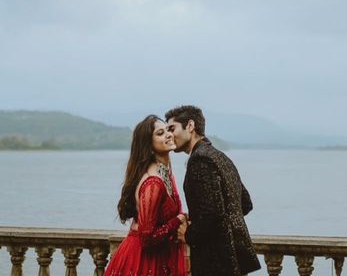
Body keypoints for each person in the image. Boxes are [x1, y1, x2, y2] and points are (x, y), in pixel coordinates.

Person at [165, 105, 261, 276]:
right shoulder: (221, 157)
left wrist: (188, 234)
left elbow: (211, 213)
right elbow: (245, 204)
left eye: (172, 128)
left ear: (190, 126)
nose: (169, 135)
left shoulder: (200, 160)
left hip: (215, 261)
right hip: (234, 258)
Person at [105, 115, 187, 276]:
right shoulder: (153, 183)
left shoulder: (165, 174)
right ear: (149, 145)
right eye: (160, 133)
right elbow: (147, 238)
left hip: (160, 258)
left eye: (169, 130)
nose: (169, 135)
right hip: (143, 261)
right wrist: (178, 220)